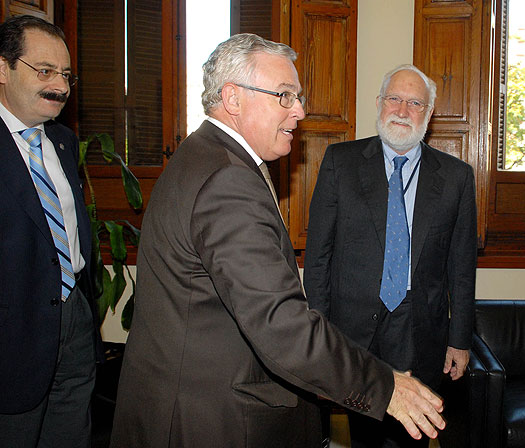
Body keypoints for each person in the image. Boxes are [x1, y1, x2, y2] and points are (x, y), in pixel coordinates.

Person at [109, 34, 446, 447]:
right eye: (285, 96)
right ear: (233, 98)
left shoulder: (206, 154)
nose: (300, 111)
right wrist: (385, 386)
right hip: (211, 418)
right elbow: (280, 325)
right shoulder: (226, 180)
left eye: (298, 97)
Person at [304, 64, 478, 447]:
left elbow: (462, 268)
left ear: (428, 115)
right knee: (364, 433)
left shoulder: (456, 178)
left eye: (415, 102)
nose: (403, 110)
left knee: (413, 430)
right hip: (351, 327)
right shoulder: (339, 162)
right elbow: (318, 257)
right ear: (379, 104)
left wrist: (460, 339)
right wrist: (318, 335)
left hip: (419, 326)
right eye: (394, 99)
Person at [0, 14, 101, 448]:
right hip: (13, 336)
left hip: (74, 318)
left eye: (65, 74)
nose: (59, 86)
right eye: (44, 71)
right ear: (2, 68)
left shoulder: (62, 141)